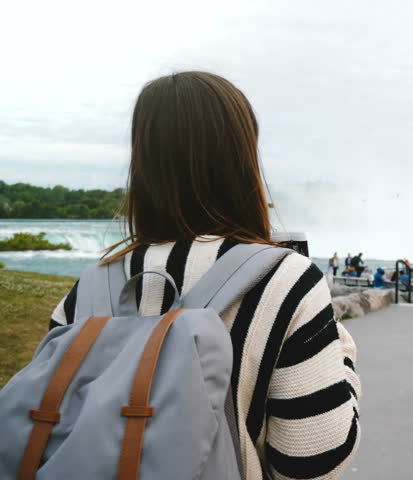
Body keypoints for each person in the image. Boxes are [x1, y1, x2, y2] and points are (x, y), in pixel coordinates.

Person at [48, 72, 360, 480]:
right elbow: (313, 462)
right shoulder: (286, 280)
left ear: (142, 161)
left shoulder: (88, 287)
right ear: (243, 158)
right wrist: (344, 351)